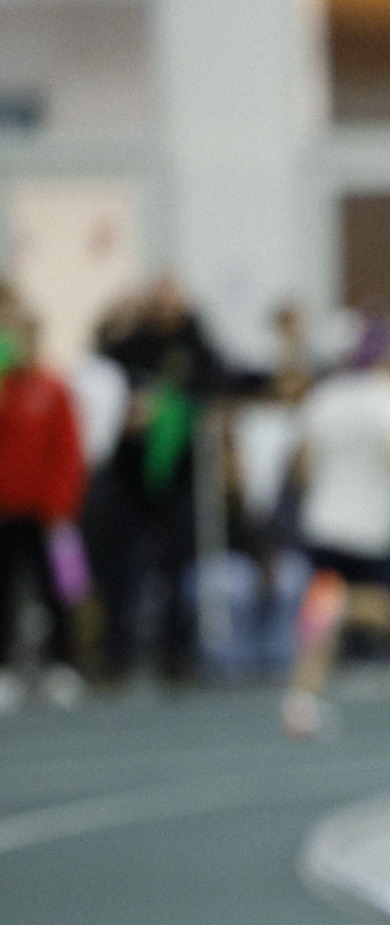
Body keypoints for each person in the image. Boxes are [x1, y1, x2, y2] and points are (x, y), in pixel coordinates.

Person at [281, 320, 390, 739]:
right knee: (388, 611)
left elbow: (304, 465)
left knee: (321, 616)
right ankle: (337, 613)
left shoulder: (325, 397)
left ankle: (303, 697)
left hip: (325, 521)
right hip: (372, 528)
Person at [90, 277, 228, 684]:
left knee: (178, 570)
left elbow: (218, 383)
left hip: (178, 479)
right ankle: (116, 657)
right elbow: (100, 373)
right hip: (128, 480)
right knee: (121, 571)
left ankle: (178, 656)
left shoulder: (197, 345)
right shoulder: (130, 344)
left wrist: (173, 404)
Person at [0, 308, 89, 710]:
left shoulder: (53, 388)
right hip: (4, 512)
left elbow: (68, 452)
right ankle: (5, 672)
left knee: (62, 588)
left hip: (49, 514)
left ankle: (64, 667)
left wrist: (61, 508)